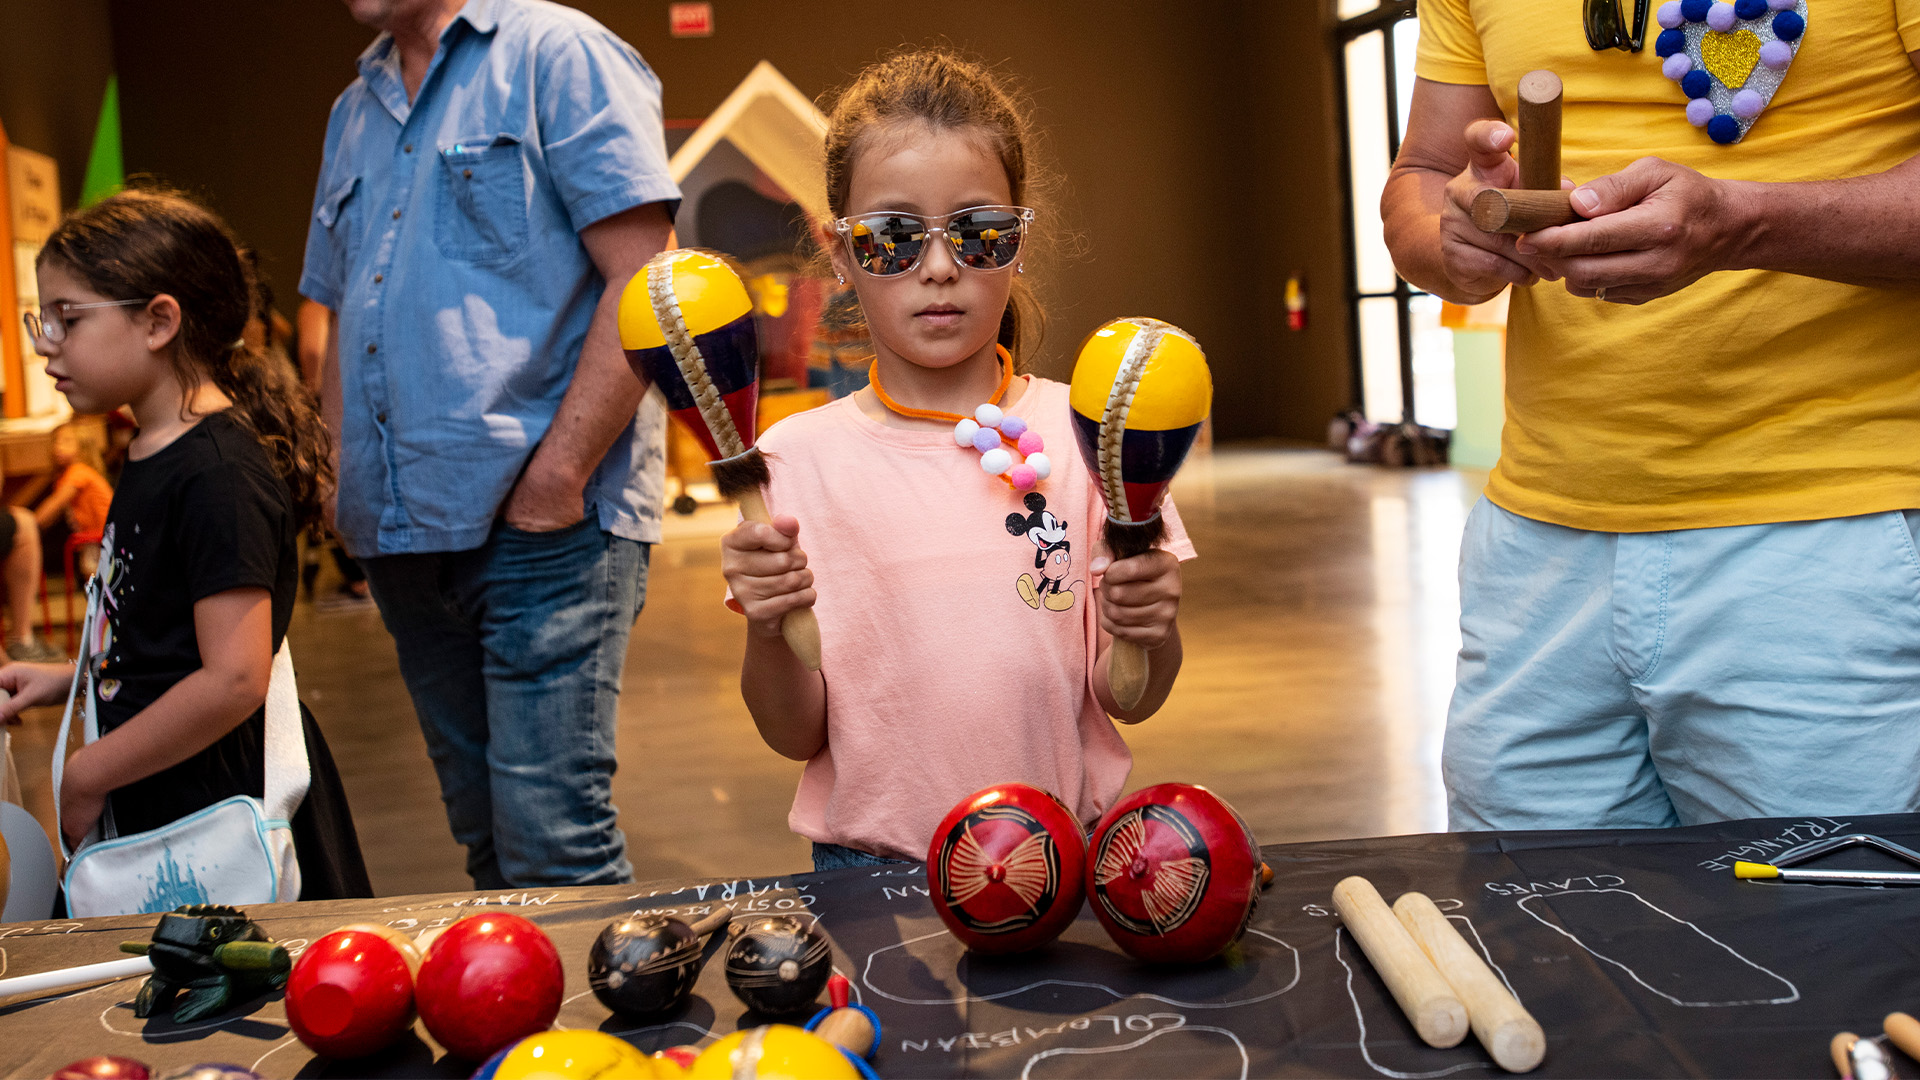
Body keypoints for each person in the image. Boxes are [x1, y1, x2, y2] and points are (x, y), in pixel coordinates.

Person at [1382, 0, 1920, 830]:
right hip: (1533, 544)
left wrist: (1745, 225)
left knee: (1818, 946)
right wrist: (1450, 239)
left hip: (1828, 540)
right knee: (1533, 939)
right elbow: (1421, 171)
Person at [720, 50, 1193, 871]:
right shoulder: (790, 463)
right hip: (872, 872)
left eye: (977, 232)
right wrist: (766, 627)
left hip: (1062, 856)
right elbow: (793, 732)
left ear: (1016, 242)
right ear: (839, 252)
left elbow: (1132, 698)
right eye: (893, 237)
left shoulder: (1091, 438)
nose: (939, 266)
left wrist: (1151, 630)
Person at [301, 0, 678, 887]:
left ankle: (597, 1033)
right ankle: (520, 1032)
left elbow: (649, 278)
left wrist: (559, 476)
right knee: (485, 844)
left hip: (548, 528)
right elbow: (344, 307)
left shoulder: (557, 52)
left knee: (555, 843)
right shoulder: (353, 111)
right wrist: (335, 474)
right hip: (401, 536)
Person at [2, 187, 370, 898]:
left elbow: (233, 678)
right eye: (42, 318)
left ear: (159, 320)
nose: (46, 342)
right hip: (165, 796)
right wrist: (72, 679)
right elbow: (164, 632)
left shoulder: (218, 472)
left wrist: (88, 772)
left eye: (68, 318)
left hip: (215, 814)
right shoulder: (149, 449)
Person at [34, 422, 113, 579]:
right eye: (56, 441)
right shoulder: (68, 475)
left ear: (82, 447)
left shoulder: (78, 471)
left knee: (96, 579)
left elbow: (55, 504)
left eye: (67, 441)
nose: (58, 446)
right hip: (94, 536)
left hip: (101, 536)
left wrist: (31, 524)